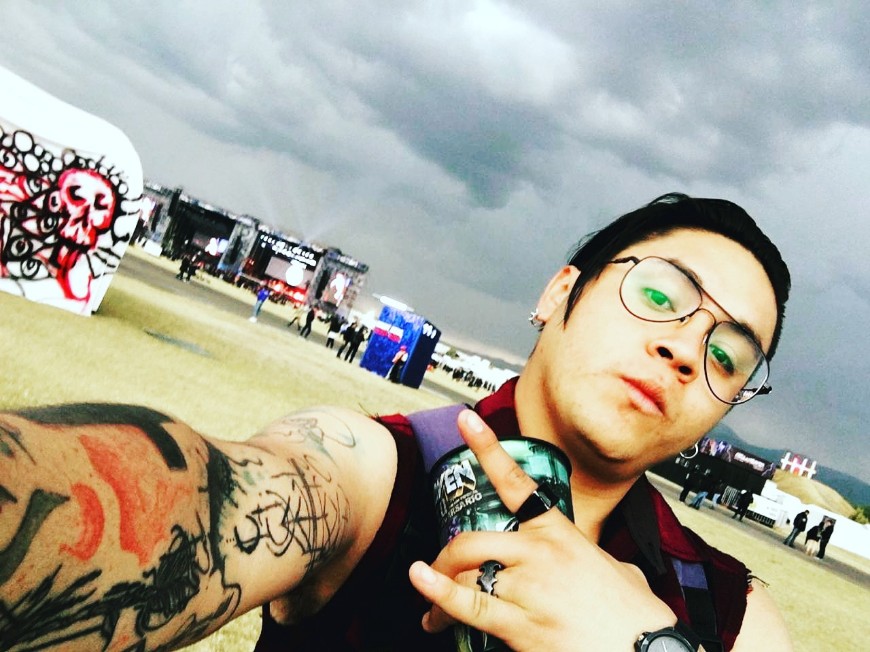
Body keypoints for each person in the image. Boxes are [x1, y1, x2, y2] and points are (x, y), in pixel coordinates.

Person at [0, 193, 793, 651]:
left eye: (727, 357)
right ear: (560, 294)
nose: (684, 349)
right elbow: (198, 495)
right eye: (659, 295)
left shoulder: (728, 611)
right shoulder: (378, 474)